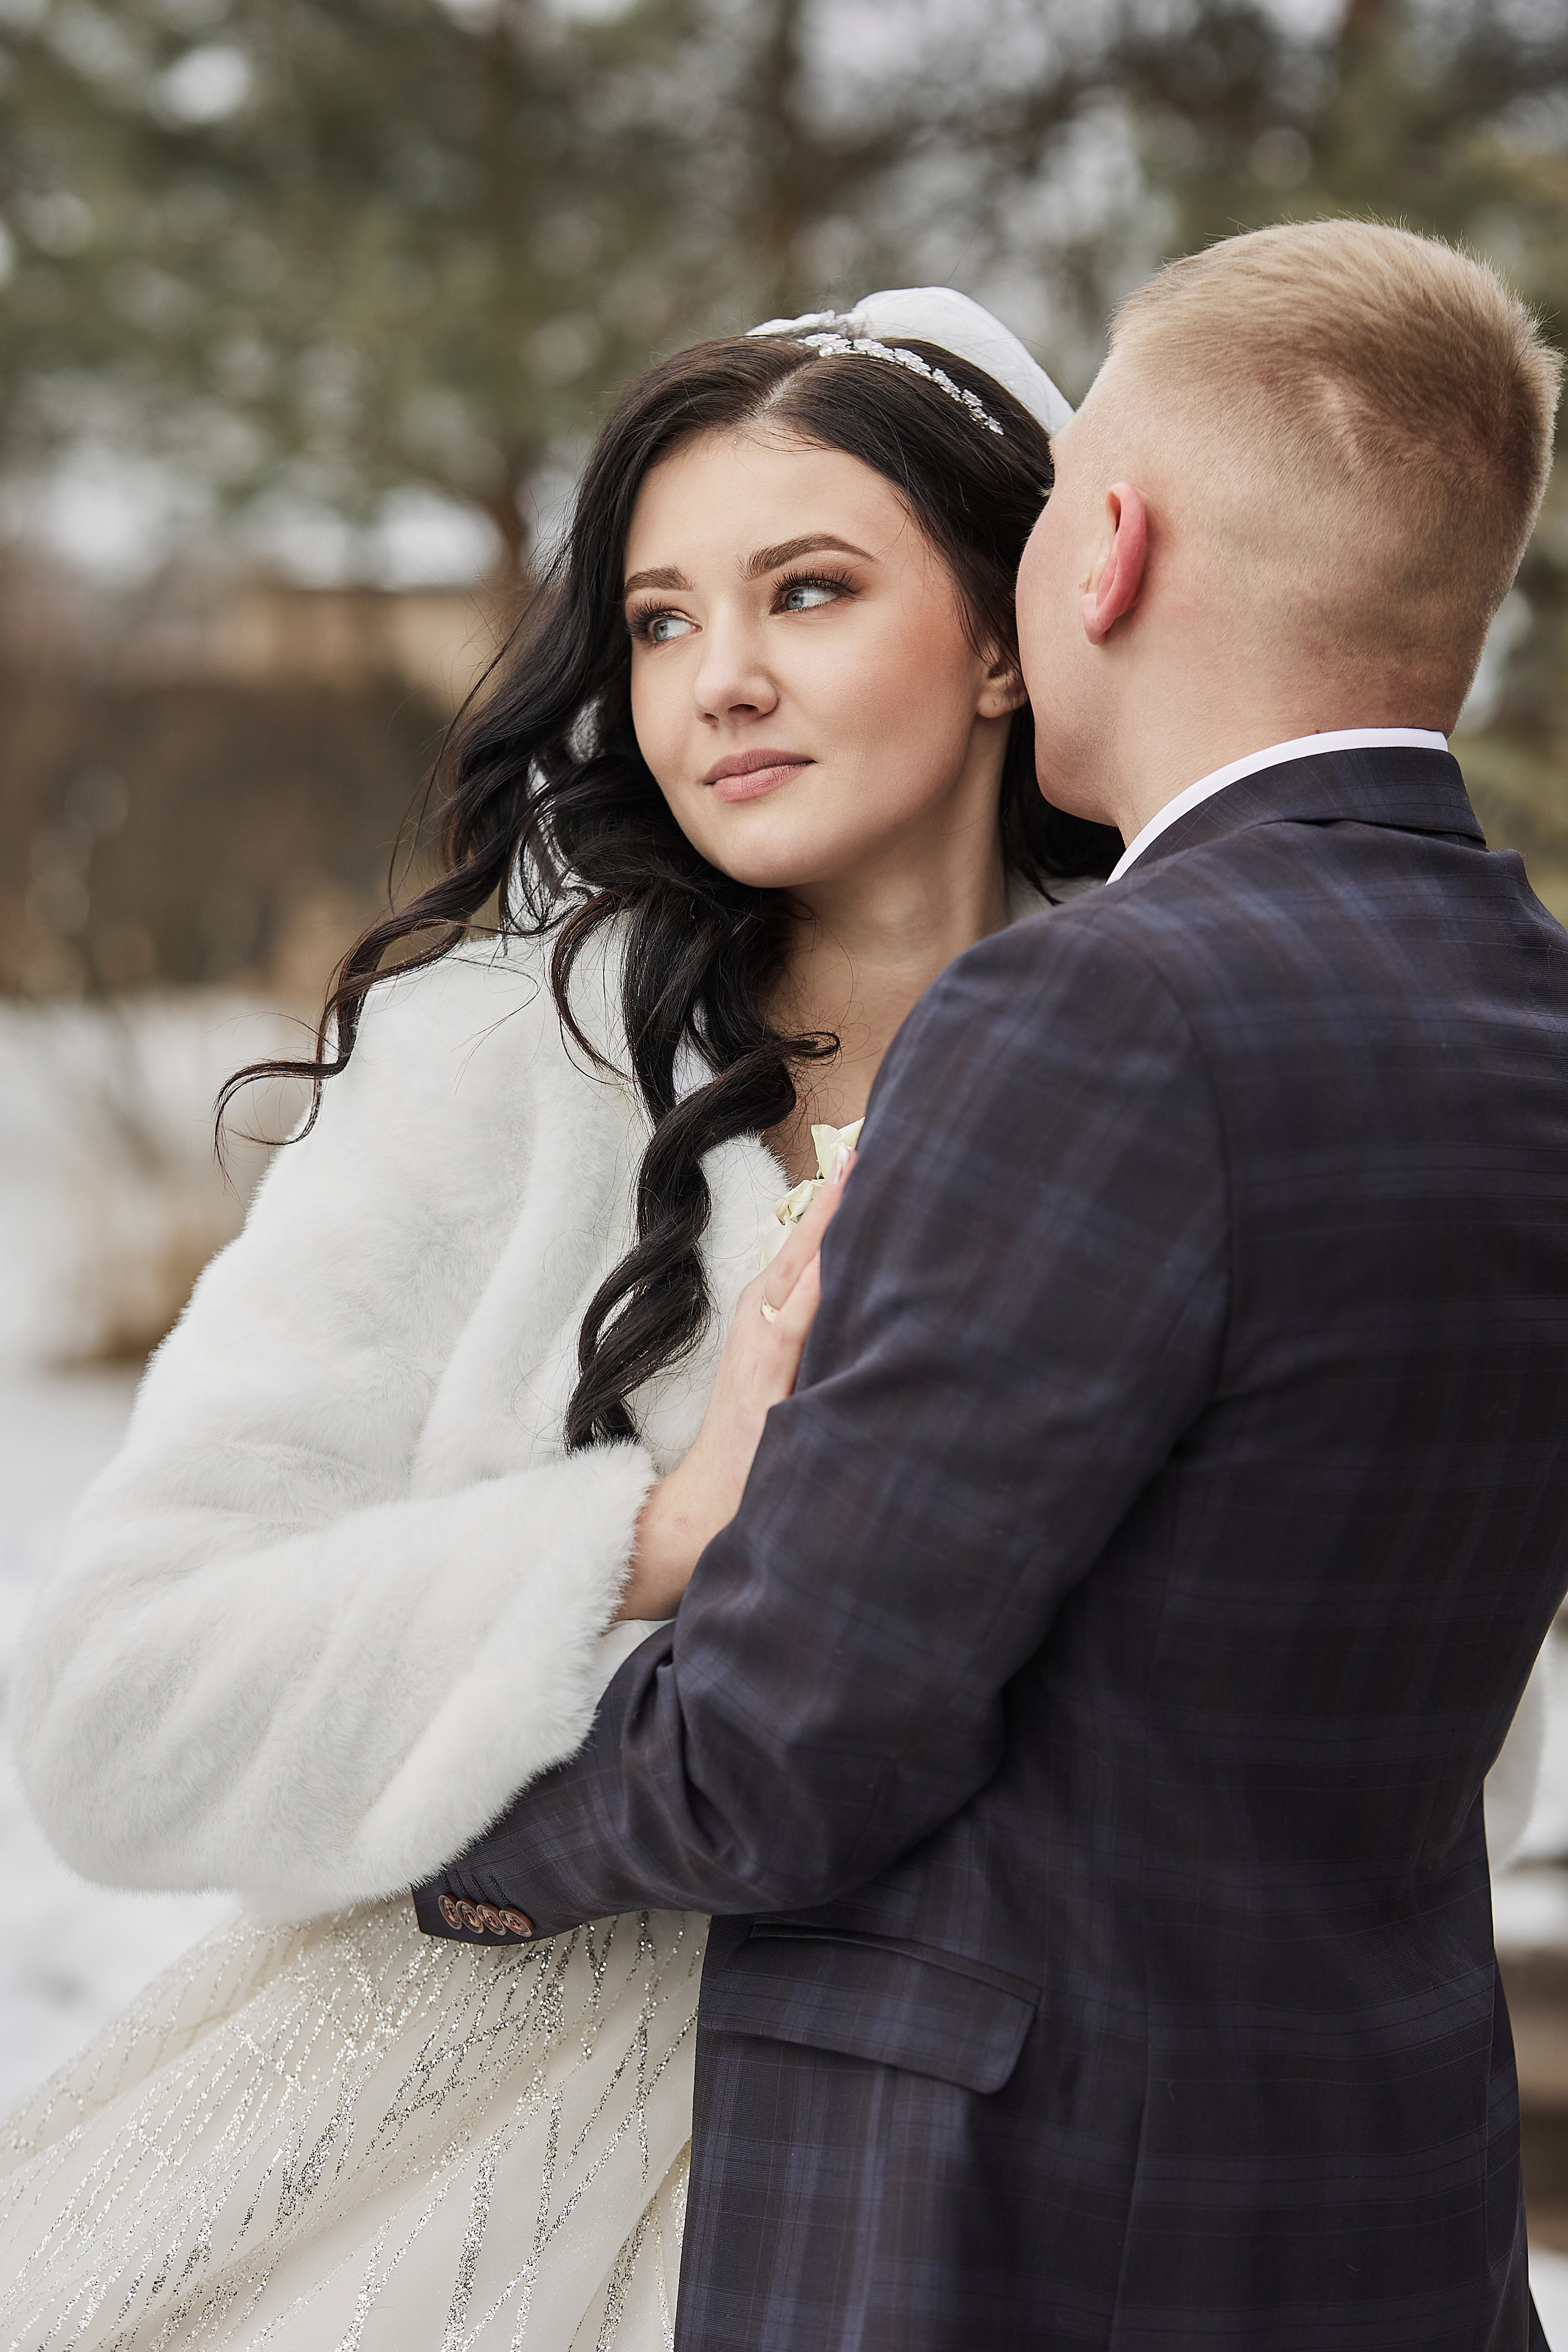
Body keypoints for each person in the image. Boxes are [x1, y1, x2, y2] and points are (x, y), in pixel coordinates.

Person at [415, 221, 1568, 2351]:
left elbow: (786, 1745)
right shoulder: (1530, 1015)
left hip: (1006, 2245)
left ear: (1104, 554)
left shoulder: (1100, 1016)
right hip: (1389, 2209)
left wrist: (421, 1808)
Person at [0, 293, 1109, 2343]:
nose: (722, 678)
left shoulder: (1179, 1079)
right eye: (663, 620)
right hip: (452, 2202)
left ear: (1005, 639)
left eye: (809, 589)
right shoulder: (507, 1065)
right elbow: (112, 1711)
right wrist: (657, 1535)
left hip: (1033, 2190)